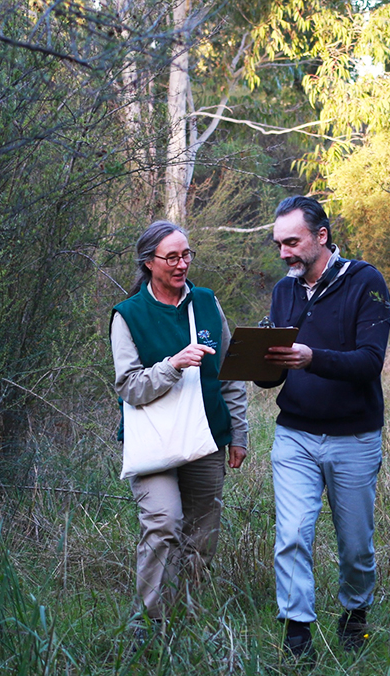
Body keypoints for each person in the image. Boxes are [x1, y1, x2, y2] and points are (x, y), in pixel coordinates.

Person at [257, 196, 390, 659]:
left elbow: (370, 362)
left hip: (354, 436)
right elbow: (273, 376)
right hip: (294, 434)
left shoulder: (365, 281)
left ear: (321, 236)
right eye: (279, 244)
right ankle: (297, 637)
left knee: (355, 546)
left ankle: (355, 617)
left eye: (292, 243)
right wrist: (257, 362)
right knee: (292, 534)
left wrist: (312, 358)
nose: (284, 253)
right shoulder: (285, 290)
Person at [110, 220, 248, 629]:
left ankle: (186, 621)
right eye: (171, 257)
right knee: (164, 523)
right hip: (153, 443)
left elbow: (230, 373)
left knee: (202, 536)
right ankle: (149, 625)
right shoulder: (128, 315)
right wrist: (172, 366)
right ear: (148, 262)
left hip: (207, 438)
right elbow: (129, 386)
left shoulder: (206, 302)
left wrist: (238, 433)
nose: (182, 264)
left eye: (186, 254)